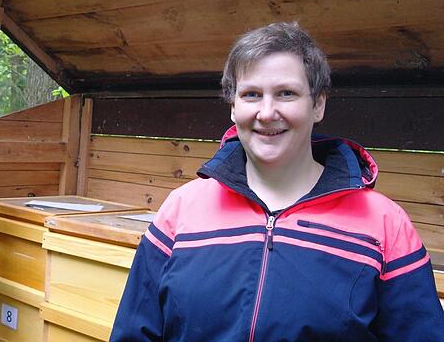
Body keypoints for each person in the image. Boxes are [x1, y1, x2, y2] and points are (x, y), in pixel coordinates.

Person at [110, 22, 444, 341]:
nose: (267, 112)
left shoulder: (386, 226)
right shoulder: (180, 211)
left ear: (318, 104)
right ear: (233, 106)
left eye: (286, 93)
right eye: (252, 94)